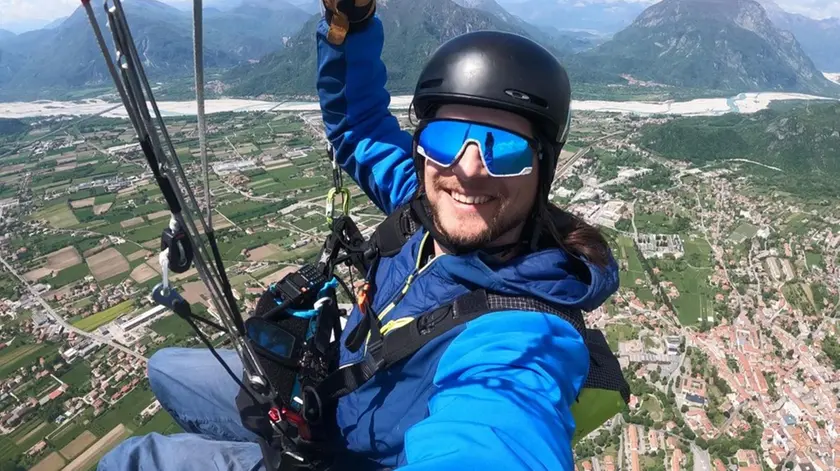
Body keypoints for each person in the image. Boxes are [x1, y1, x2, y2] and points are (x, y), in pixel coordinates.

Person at [98, 1, 624, 470]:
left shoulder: (521, 330)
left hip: (350, 456)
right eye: (447, 138)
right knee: (165, 369)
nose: (467, 170)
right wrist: (349, 23)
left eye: (502, 148)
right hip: (328, 393)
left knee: (132, 460)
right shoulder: (420, 208)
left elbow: (496, 433)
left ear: (541, 167)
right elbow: (359, 125)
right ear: (422, 149)